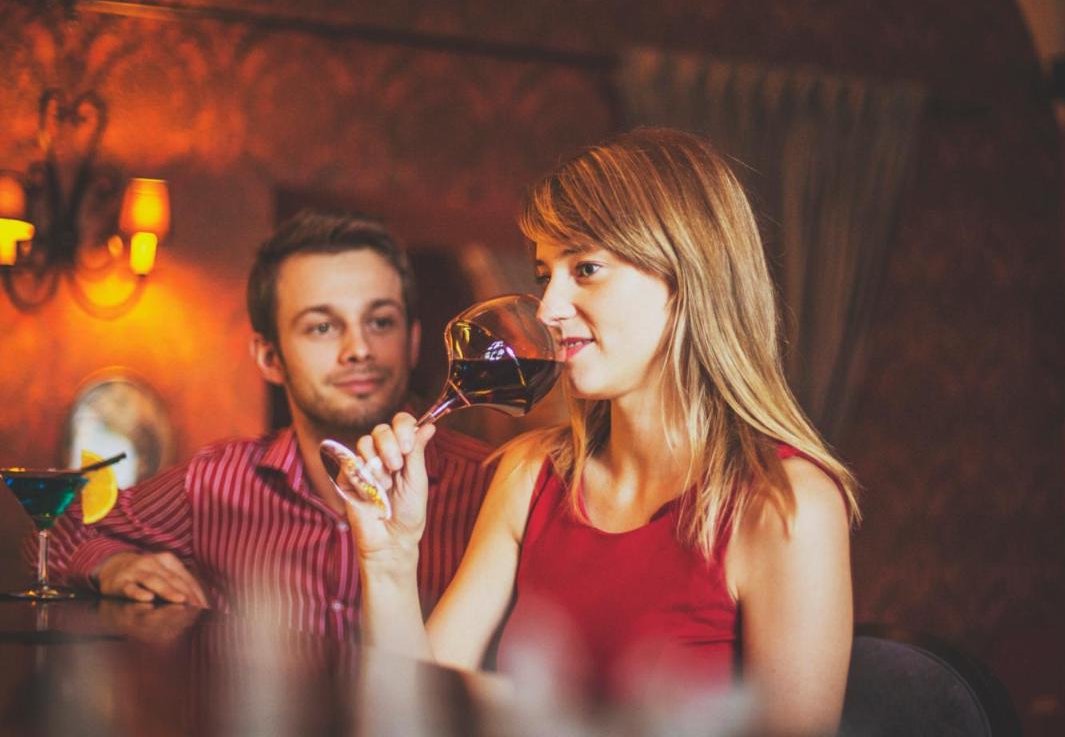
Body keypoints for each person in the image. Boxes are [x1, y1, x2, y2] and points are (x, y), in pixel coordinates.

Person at [336, 129, 861, 735]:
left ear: (689, 280)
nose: (548, 308)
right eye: (545, 275)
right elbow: (409, 721)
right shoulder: (532, 474)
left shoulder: (785, 505)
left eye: (585, 269)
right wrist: (389, 558)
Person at [36, 210, 494, 637]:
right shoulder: (215, 483)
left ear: (412, 343)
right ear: (269, 358)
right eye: (322, 327)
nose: (359, 349)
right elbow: (57, 530)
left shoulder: (489, 486)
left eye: (380, 321)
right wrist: (113, 565)